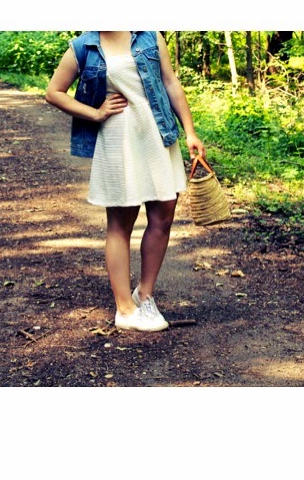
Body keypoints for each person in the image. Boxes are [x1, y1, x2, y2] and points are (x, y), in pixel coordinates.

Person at [45, 31, 205, 332]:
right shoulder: (83, 46)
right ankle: (124, 308)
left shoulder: (149, 34)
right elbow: (54, 92)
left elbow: (170, 82)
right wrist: (95, 113)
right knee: (121, 224)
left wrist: (190, 132)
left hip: (157, 134)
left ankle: (144, 295)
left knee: (164, 215)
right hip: (119, 139)